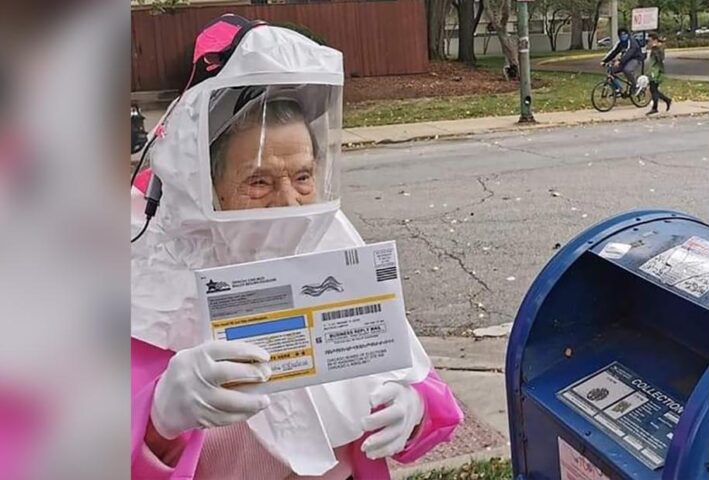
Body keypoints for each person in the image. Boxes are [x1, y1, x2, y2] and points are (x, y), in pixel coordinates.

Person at [131, 24, 463, 479]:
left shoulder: (328, 238)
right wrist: (155, 420)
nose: (289, 203)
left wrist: (414, 407)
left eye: (303, 177)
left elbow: (423, 388)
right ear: (203, 185)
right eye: (259, 181)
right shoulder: (144, 278)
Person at [601, 28, 645, 95]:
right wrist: (604, 61)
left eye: (625, 34)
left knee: (627, 70)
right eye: (621, 35)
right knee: (610, 71)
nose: (623, 36)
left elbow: (629, 53)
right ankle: (618, 89)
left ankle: (635, 86)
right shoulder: (620, 43)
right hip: (625, 59)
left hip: (635, 58)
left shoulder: (632, 41)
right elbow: (614, 52)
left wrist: (620, 61)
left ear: (628, 34)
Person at [645, 33, 672, 115]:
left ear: (655, 40)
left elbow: (660, 59)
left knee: (653, 89)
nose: (648, 43)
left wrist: (655, 48)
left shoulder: (659, 48)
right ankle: (666, 100)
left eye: (650, 41)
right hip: (653, 71)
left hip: (656, 72)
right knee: (654, 90)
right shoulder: (654, 48)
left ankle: (655, 107)